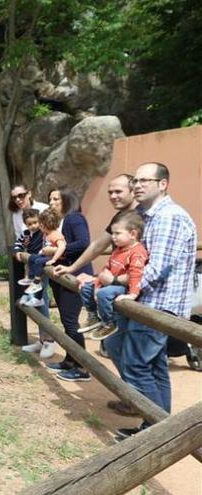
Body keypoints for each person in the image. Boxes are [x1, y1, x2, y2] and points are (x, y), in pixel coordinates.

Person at [113, 162, 197, 440]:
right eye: (135, 180)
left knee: (136, 364)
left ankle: (154, 432)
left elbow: (157, 267)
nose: (137, 185)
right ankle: (161, 428)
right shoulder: (145, 215)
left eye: (144, 180)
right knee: (153, 365)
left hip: (157, 304)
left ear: (163, 184)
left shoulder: (168, 216)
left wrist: (119, 283)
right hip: (147, 302)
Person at [53, 174, 138, 414]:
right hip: (115, 288)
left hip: (134, 291)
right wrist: (73, 268)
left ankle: (148, 411)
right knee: (114, 344)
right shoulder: (119, 218)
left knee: (139, 356)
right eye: (110, 192)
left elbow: (141, 257)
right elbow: (98, 246)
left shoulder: (142, 217)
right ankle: (132, 399)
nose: (113, 196)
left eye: (118, 191)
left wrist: (115, 279)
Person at [43, 187, 93, 382]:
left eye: (56, 199)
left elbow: (83, 243)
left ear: (67, 200)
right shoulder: (60, 221)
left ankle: (82, 368)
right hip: (62, 277)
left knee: (71, 323)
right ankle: (70, 360)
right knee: (66, 321)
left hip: (75, 276)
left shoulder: (75, 218)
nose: (52, 202)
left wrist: (56, 252)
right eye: (50, 199)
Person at [78, 210, 148, 341]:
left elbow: (136, 274)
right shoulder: (118, 249)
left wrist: (132, 294)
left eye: (117, 233)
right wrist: (97, 284)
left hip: (123, 287)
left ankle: (109, 323)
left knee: (103, 294)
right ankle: (93, 317)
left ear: (133, 234)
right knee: (86, 287)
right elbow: (107, 268)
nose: (113, 237)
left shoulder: (137, 252)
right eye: (113, 233)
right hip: (109, 283)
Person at [8, 184, 54, 356]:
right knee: (32, 299)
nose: (18, 199)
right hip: (30, 262)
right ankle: (42, 340)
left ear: (29, 193)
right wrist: (19, 252)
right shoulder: (16, 214)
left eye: (21, 195)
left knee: (40, 298)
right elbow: (20, 237)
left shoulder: (43, 209)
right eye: (15, 197)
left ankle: (49, 340)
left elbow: (52, 233)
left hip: (43, 260)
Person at [22, 208, 66, 299]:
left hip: (55, 258)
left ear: (45, 225)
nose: (38, 227)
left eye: (40, 225)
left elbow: (62, 246)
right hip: (47, 255)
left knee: (38, 261)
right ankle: (30, 277)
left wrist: (54, 259)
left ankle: (37, 282)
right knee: (32, 257)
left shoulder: (55, 234)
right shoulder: (46, 234)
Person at [13, 208, 44, 286]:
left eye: (35, 222)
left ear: (40, 221)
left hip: (39, 258)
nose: (33, 226)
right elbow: (18, 243)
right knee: (27, 267)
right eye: (29, 224)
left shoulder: (43, 232)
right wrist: (18, 251)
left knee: (41, 283)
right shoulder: (26, 233)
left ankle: (43, 297)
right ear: (25, 224)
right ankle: (28, 279)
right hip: (29, 257)